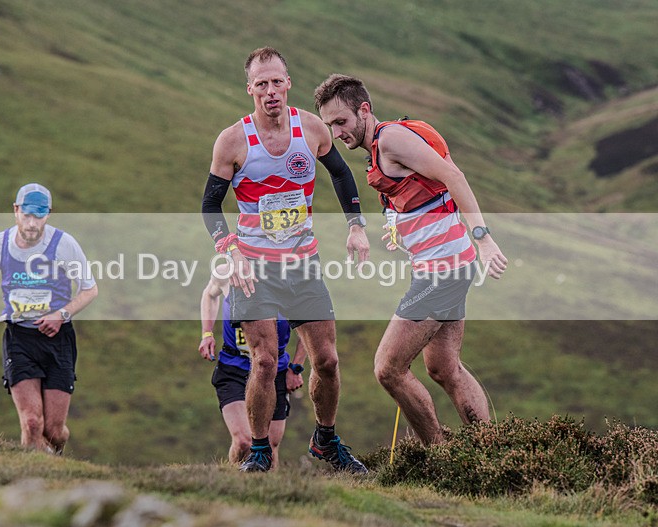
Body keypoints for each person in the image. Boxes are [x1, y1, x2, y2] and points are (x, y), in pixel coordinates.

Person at [314, 74, 508, 444]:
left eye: (341, 121)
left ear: (364, 110)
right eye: (329, 126)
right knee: (444, 368)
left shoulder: (391, 139)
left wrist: (483, 237)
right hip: (449, 264)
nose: (336, 133)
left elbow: (453, 175)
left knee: (388, 368)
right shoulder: (379, 149)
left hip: (443, 270)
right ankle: (490, 450)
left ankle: (438, 455)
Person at [201, 47, 370, 473]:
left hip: (302, 264)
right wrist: (231, 251)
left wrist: (356, 225)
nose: (271, 91)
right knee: (263, 360)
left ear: (288, 83)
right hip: (254, 268)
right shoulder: (233, 141)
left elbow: (341, 173)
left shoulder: (310, 129)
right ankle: (259, 452)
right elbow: (210, 206)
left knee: (327, 360)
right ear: (250, 90)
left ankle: (325, 440)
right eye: (262, 84)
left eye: (277, 81)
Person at [0, 183, 98, 454]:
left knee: (53, 431)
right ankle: (30, 475)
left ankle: (54, 456)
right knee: (31, 422)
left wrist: (61, 315)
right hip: (20, 338)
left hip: (58, 340)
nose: (31, 223)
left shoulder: (64, 244)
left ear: (48, 214)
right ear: (16, 210)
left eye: (38, 217)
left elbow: (89, 289)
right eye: (26, 215)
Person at [198, 263, 307, 468]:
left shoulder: (289, 281)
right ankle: (236, 480)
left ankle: (266, 487)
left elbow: (309, 328)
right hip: (234, 367)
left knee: (270, 446)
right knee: (244, 441)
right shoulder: (227, 273)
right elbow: (209, 294)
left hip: (275, 371)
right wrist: (207, 333)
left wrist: (296, 368)